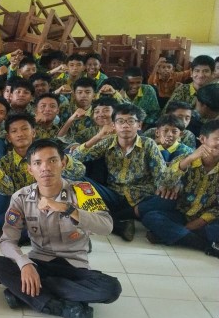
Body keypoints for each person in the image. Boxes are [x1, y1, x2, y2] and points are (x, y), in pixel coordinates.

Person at [0, 139, 122, 318]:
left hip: (74, 266)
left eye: (52, 161)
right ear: (29, 169)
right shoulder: (21, 197)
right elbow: (8, 240)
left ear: (63, 163)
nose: (45, 168)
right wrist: (24, 263)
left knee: (111, 288)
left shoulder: (83, 191)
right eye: (38, 163)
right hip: (39, 263)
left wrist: (67, 209)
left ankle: (28, 295)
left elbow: (106, 226)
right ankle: (66, 307)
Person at [71, 103, 178, 241]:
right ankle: (119, 221)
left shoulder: (148, 144)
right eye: (120, 121)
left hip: (141, 198)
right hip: (113, 195)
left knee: (168, 199)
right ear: (114, 125)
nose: (125, 125)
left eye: (131, 121)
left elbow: (160, 175)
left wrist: (169, 186)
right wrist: (98, 136)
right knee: (74, 177)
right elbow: (75, 158)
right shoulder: (108, 142)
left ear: (139, 125)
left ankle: (112, 218)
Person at [141, 119, 219, 256]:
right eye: (217, 139)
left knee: (215, 230)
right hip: (181, 214)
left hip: (209, 221)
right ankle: (204, 245)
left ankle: (173, 235)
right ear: (202, 139)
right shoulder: (185, 158)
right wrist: (188, 160)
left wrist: (197, 223)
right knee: (151, 217)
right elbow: (165, 182)